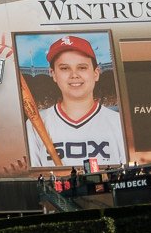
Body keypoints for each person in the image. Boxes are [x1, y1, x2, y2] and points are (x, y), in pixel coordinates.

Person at [26, 35, 127, 167]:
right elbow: (35, 178)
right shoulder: (35, 124)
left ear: (96, 73)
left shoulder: (119, 122)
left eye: (82, 67)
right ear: (53, 74)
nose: (74, 74)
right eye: (64, 68)